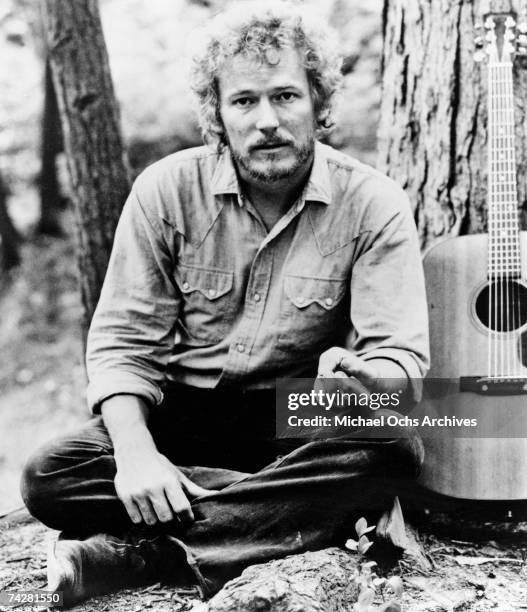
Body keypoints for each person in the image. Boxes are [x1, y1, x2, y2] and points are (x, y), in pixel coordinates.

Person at [20, 1, 429, 606]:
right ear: (218, 114)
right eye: (244, 101)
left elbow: (400, 360)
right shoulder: (165, 191)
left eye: (286, 95)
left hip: (296, 416)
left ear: (319, 101)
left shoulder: (374, 204)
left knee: (395, 446)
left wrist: (374, 375)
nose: (267, 120)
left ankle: (145, 551)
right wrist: (136, 457)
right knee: (49, 475)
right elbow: (122, 347)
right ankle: (300, 510)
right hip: (180, 414)